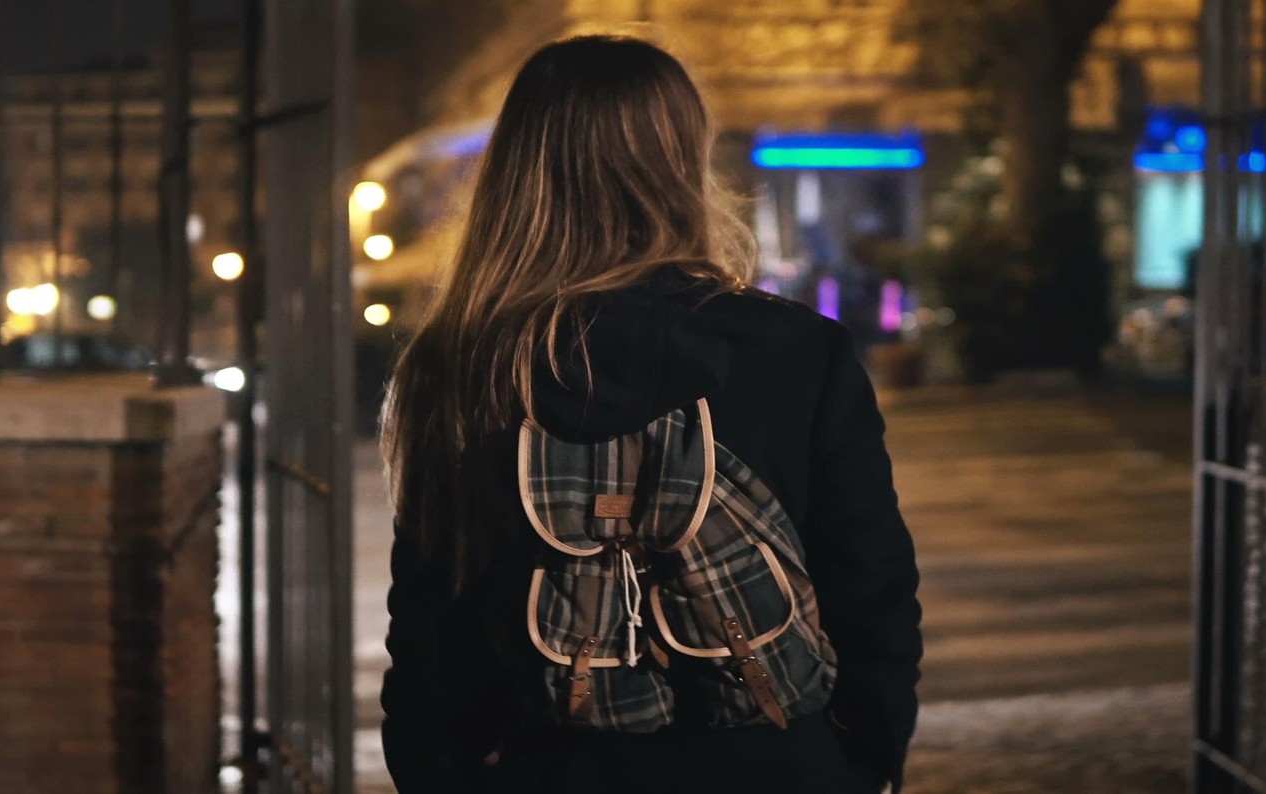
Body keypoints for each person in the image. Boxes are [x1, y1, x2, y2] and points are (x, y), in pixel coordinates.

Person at [379, 36, 922, 793]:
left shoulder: (460, 366)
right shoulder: (795, 351)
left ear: (518, 171)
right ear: (680, 162)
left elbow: (432, 624)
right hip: (772, 764)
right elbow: (872, 588)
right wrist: (860, 759)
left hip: (545, 765)